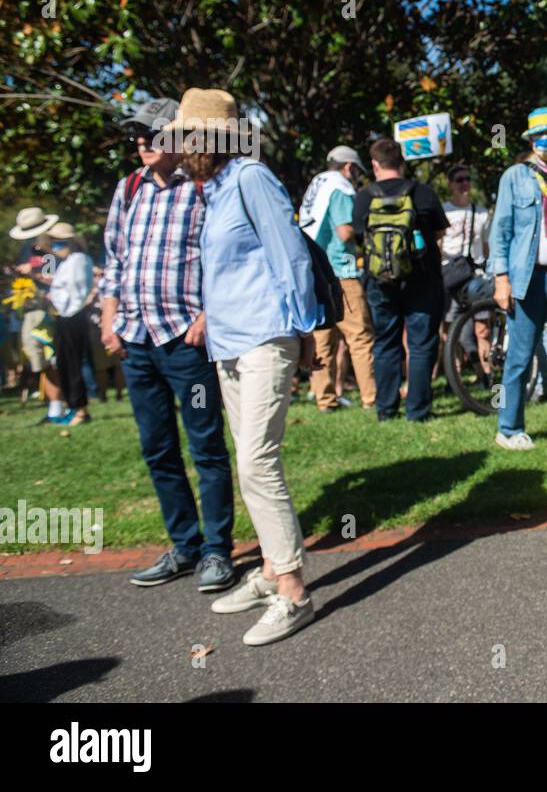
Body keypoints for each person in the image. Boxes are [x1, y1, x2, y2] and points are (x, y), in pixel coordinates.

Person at [171, 87, 322, 646]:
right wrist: (210, 314)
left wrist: (304, 329)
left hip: (266, 337)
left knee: (259, 462)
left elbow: (289, 255)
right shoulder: (215, 190)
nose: (182, 145)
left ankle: (293, 592)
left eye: (189, 134)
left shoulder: (253, 177)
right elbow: (234, 266)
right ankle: (267, 573)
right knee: (247, 463)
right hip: (230, 342)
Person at [100, 99, 240, 593]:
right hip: (138, 343)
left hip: (185, 341)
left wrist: (206, 315)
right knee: (157, 449)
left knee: (206, 447)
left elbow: (224, 258)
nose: (141, 143)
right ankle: (184, 546)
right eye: (136, 136)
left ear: (180, 140)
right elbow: (115, 258)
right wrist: (109, 318)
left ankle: (217, 551)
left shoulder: (204, 189)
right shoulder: (129, 189)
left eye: (151, 135)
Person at [489, 108, 547, 451]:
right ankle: (509, 429)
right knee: (520, 358)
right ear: (529, 140)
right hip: (528, 278)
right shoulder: (514, 176)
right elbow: (501, 231)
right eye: (540, 135)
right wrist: (501, 279)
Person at [353, 138, 448, 422]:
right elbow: (441, 233)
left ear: (374, 165)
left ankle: (386, 409)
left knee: (385, 343)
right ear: (402, 163)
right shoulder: (424, 193)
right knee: (420, 345)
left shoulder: (365, 197)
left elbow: (358, 238)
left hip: (380, 282)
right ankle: (417, 411)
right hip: (422, 280)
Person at [299, 145, 377, 413]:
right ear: (348, 167)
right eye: (356, 171)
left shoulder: (316, 185)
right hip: (341, 272)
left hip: (314, 272)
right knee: (360, 336)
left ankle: (325, 399)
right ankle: (371, 399)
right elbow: (345, 232)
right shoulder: (341, 188)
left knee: (323, 339)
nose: (356, 177)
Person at [8, 209, 65, 421]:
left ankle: (58, 406)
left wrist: (31, 272)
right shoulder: (26, 250)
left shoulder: (48, 251)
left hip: (45, 310)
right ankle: (54, 406)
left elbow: (53, 278)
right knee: (36, 358)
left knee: (47, 358)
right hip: (28, 310)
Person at [440, 163, 494, 375]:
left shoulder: (481, 213)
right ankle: (455, 375)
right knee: (448, 329)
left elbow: (487, 247)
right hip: (451, 276)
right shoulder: (444, 211)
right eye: (459, 180)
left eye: (467, 179)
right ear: (450, 184)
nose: (464, 184)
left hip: (476, 276)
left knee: (483, 329)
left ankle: (487, 374)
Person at [42, 222, 95, 426]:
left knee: (74, 363)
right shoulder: (66, 262)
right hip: (65, 316)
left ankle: (80, 408)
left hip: (73, 315)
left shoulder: (79, 260)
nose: (55, 246)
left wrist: (59, 302)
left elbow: (76, 292)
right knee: (64, 362)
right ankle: (74, 406)